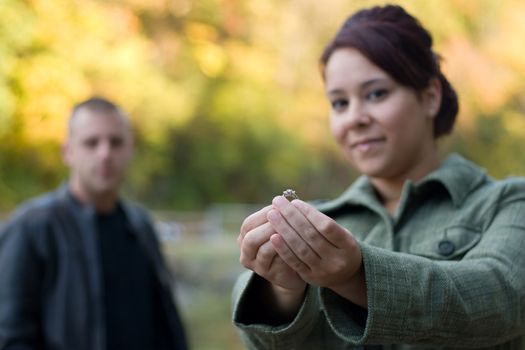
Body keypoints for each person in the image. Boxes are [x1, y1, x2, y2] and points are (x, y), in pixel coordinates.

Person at [232, 4, 525, 349]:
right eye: (339, 103)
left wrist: (356, 275)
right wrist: (282, 290)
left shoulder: (509, 204)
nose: (355, 117)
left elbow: (497, 297)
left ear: (430, 98)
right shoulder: (320, 226)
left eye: (375, 94)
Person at [0, 97, 189, 350]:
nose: (105, 154)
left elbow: (167, 326)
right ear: (68, 152)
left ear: (130, 149)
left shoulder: (140, 227)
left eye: (116, 142)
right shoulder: (31, 228)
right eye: (91, 143)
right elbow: (11, 334)